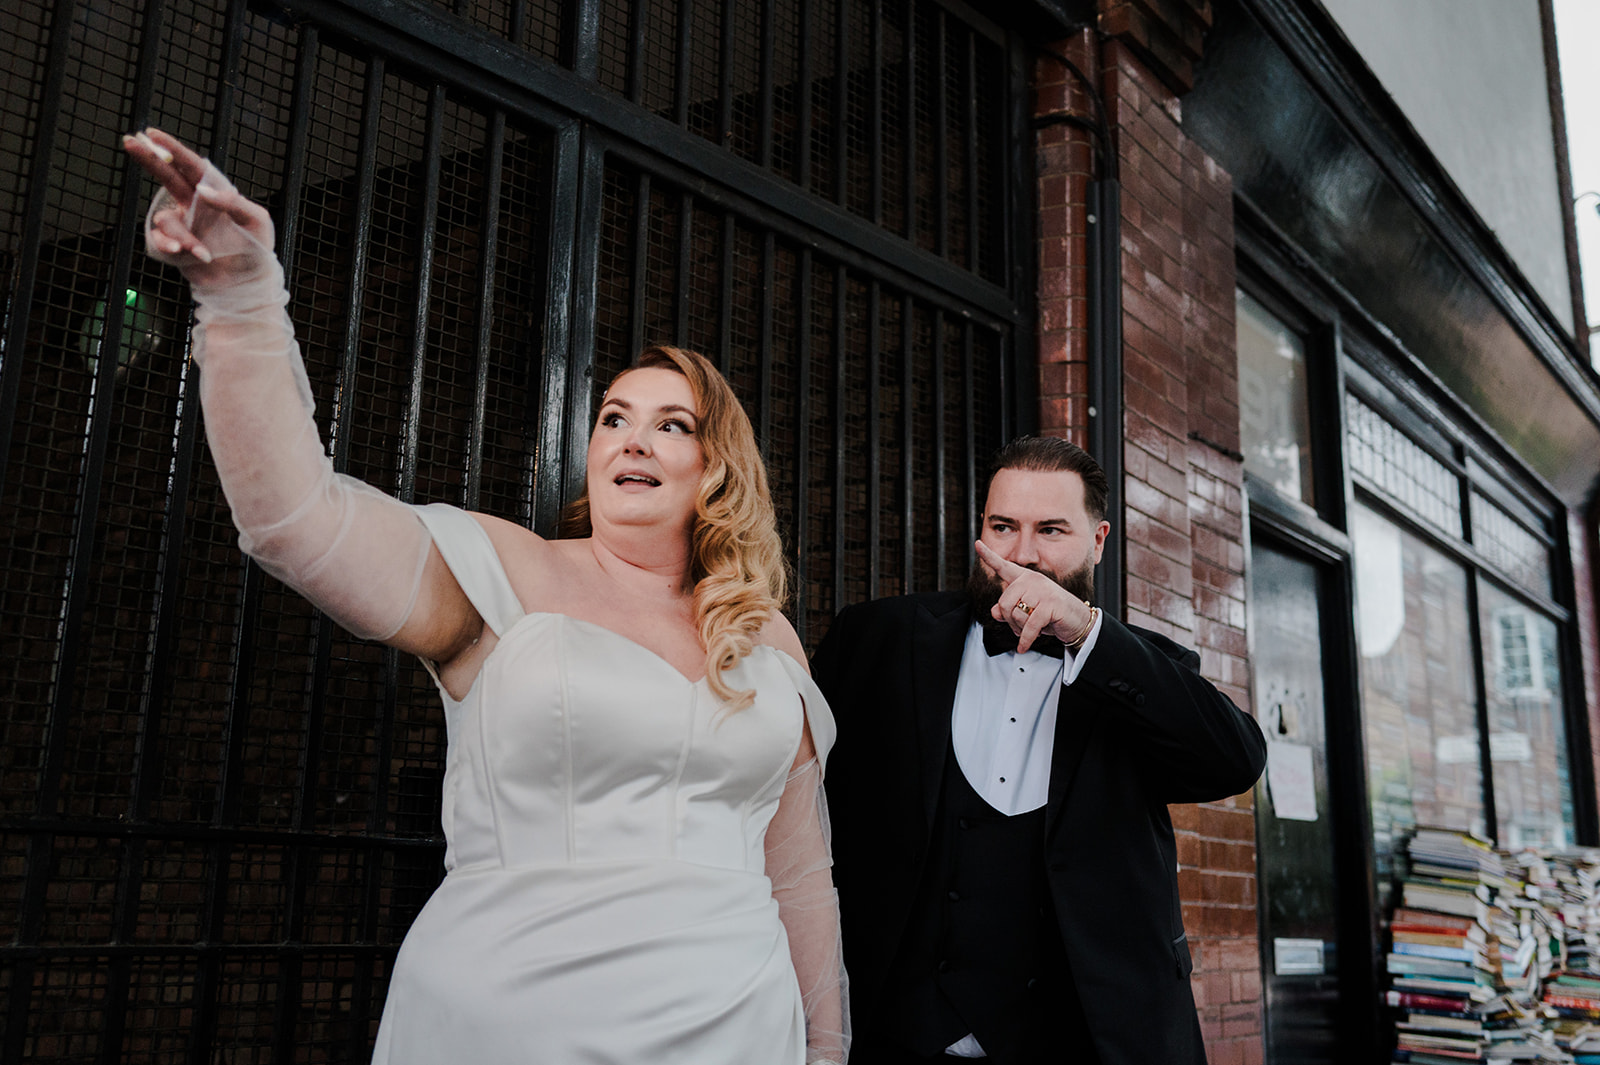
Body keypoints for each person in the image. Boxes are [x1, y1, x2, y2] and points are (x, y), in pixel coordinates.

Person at [122, 127, 848, 1065]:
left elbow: (800, 881)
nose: (632, 438)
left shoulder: (766, 638)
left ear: (716, 470)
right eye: (613, 418)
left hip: (737, 1027)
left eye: (672, 425)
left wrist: (826, 1052)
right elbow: (296, 521)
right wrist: (240, 294)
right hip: (515, 1018)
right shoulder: (504, 573)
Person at [812, 436, 1265, 1065]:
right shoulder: (879, 639)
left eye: (1051, 530)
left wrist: (1084, 633)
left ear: (1099, 541)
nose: (1021, 556)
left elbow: (1234, 761)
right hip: (891, 1035)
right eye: (1003, 527)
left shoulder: (1145, 671)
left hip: (1087, 1042)